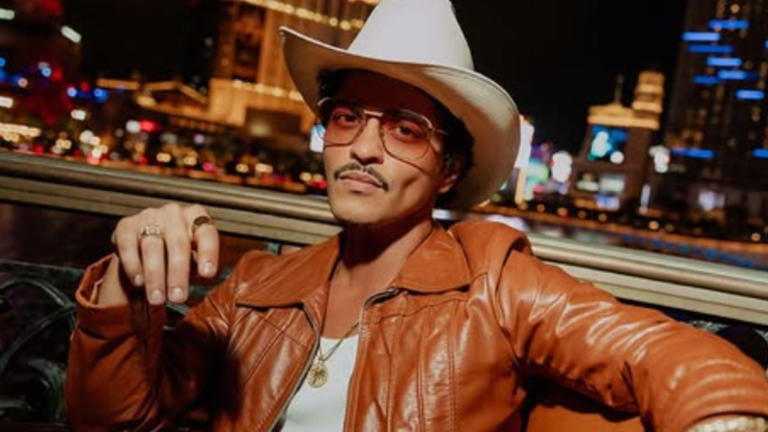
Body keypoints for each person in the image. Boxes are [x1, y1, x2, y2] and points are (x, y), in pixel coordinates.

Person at [65, 1, 768, 431]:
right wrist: (126, 282)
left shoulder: (492, 279)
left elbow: (662, 352)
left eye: (404, 129)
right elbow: (114, 419)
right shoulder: (254, 287)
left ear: (449, 169)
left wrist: (725, 417)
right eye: (347, 117)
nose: (363, 148)